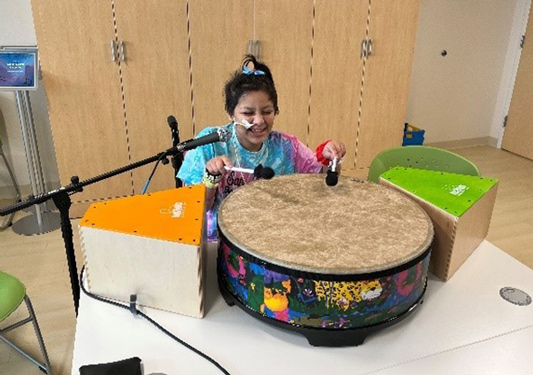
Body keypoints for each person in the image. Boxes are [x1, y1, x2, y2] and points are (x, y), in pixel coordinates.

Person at [178, 55, 346, 240]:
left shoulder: (286, 146)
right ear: (230, 114)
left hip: (272, 237)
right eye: (248, 113)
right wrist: (211, 178)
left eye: (267, 112)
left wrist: (331, 158)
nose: (259, 121)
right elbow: (194, 210)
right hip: (222, 242)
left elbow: (322, 181)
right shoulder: (209, 143)